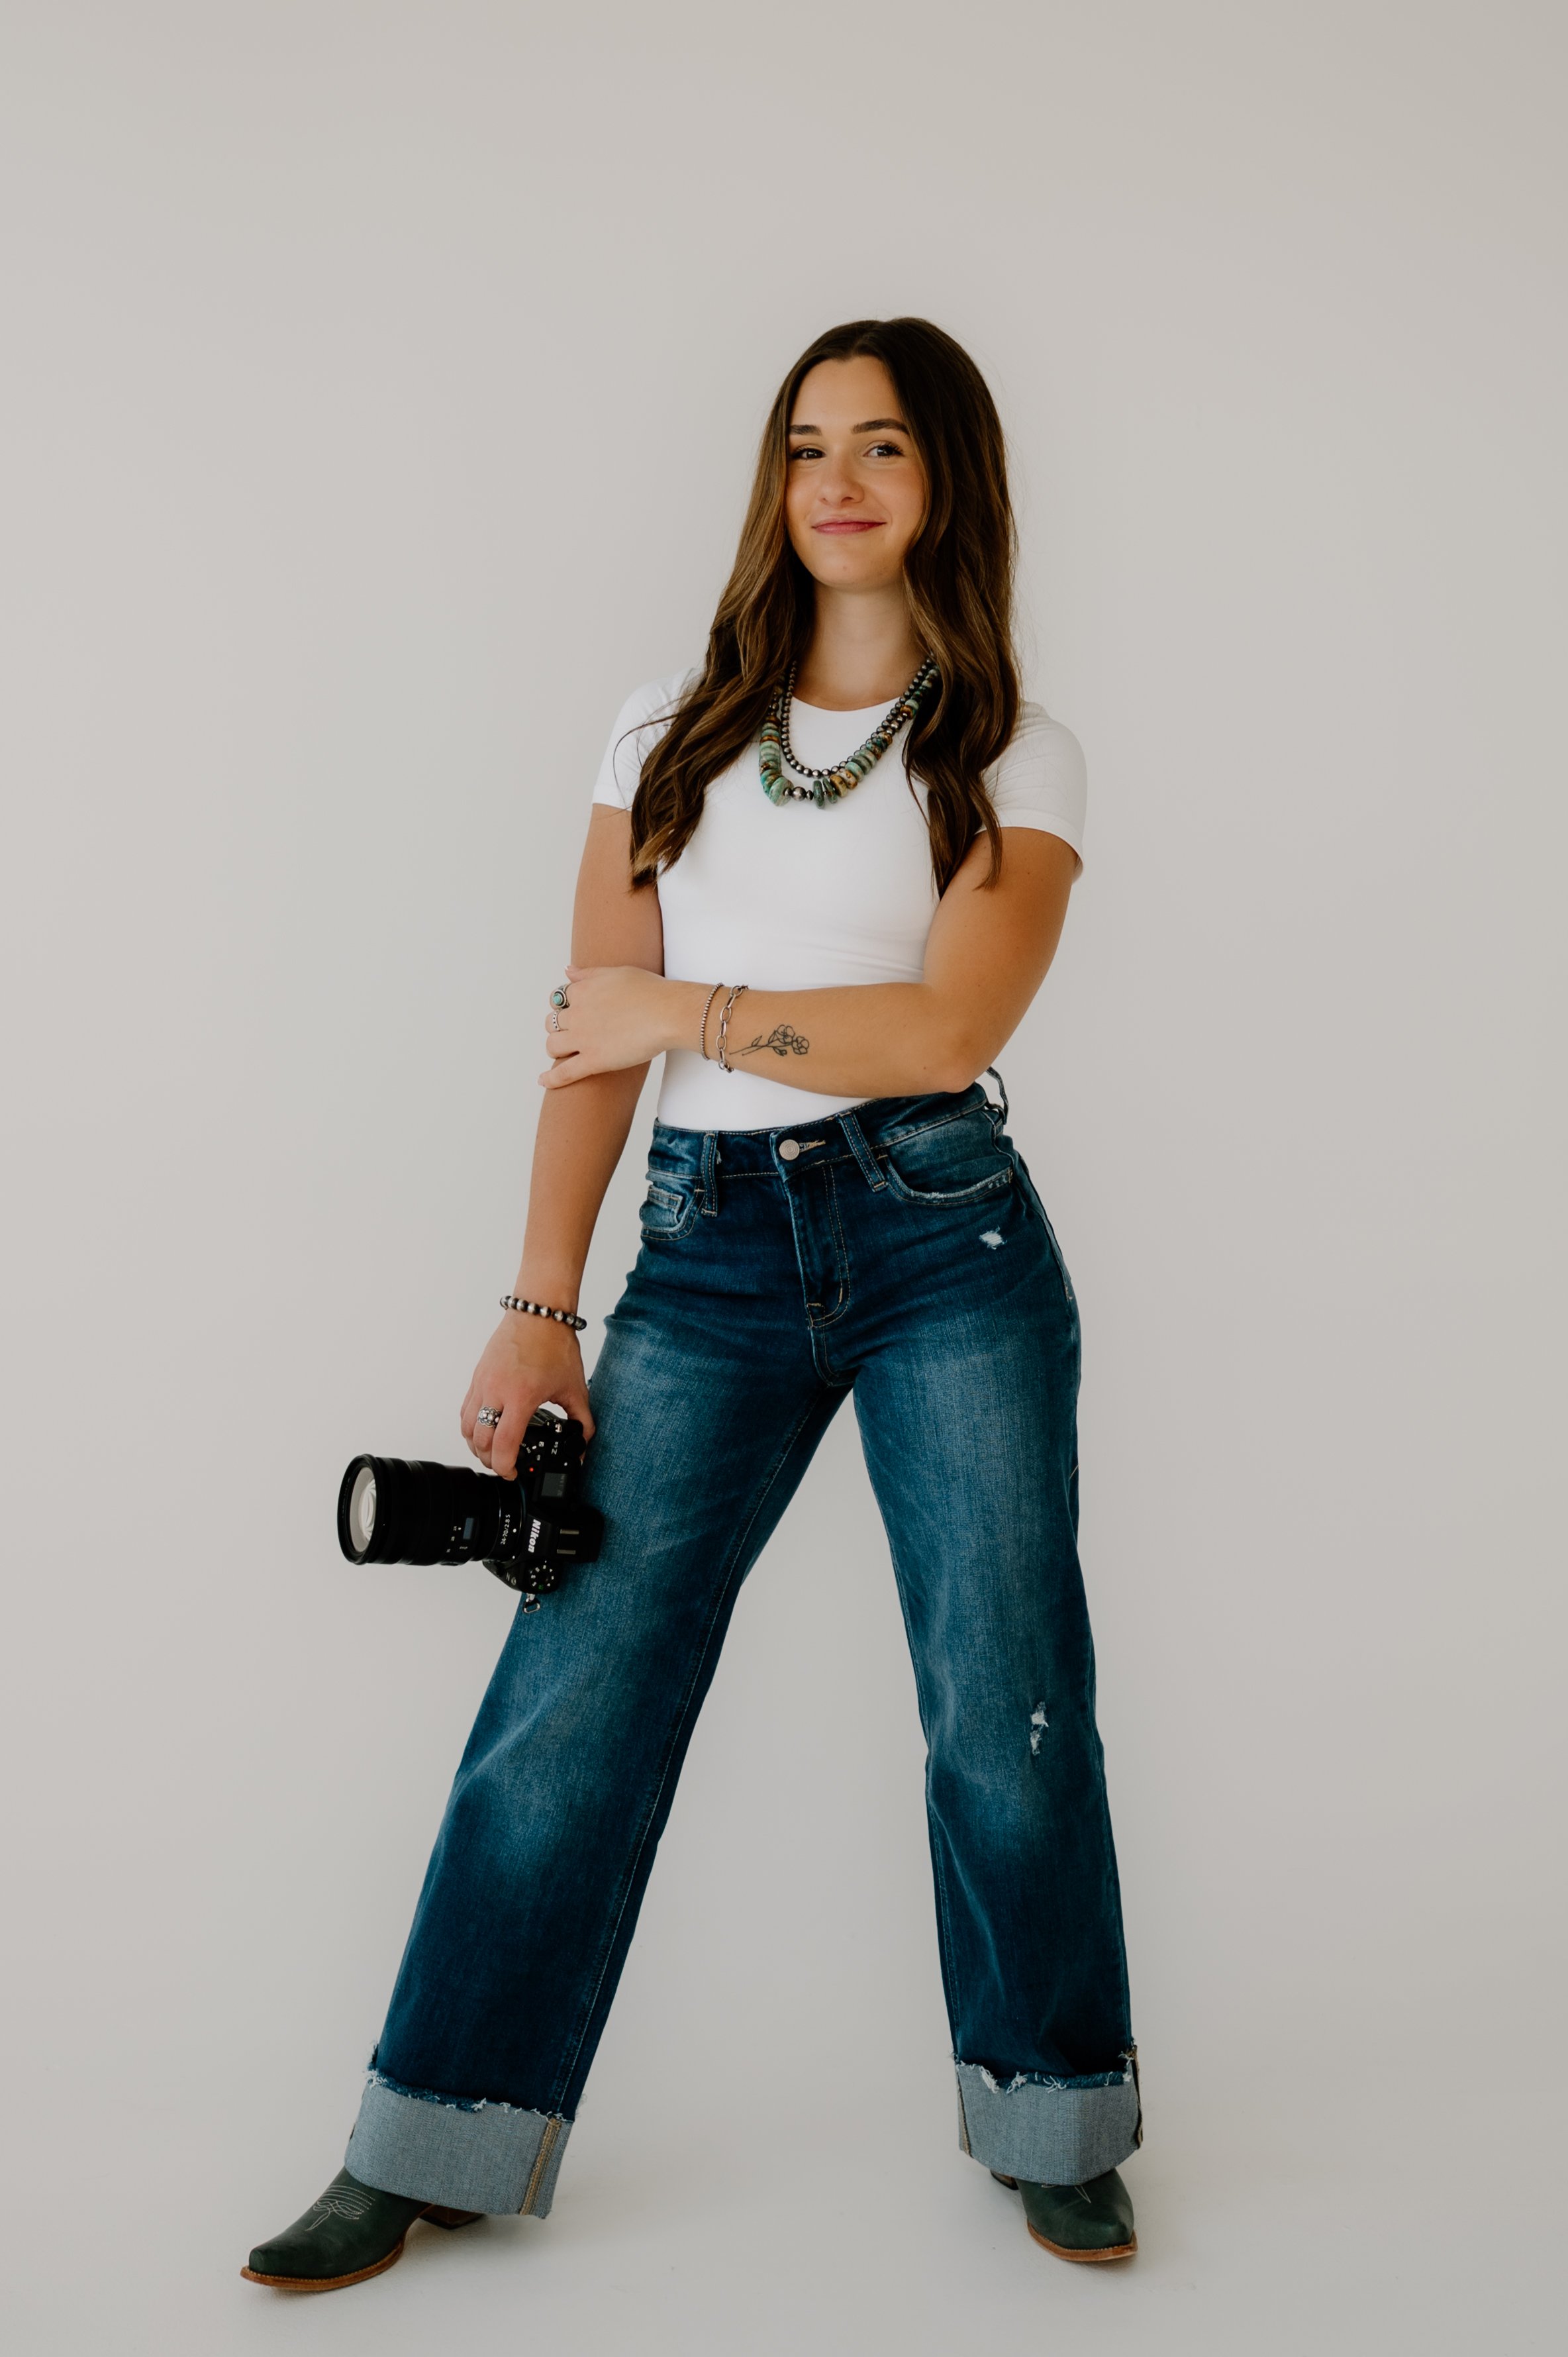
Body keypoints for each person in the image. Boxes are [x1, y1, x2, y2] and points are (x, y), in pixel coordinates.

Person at [244, 317, 1140, 2293]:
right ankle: (429, 2134)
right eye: (808, 444)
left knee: (1004, 1698)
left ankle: (1057, 2112)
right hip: (708, 1250)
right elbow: (590, 1042)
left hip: (943, 1242)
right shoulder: (669, 731)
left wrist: (690, 1012)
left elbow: (949, 1030)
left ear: (949, 480)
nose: (839, 481)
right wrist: (540, 1307)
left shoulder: (1012, 750)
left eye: (883, 444)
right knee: (571, 1690)